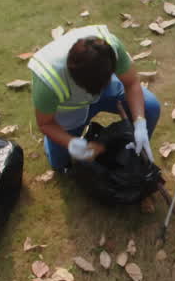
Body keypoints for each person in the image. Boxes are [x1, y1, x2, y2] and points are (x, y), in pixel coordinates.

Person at [30, 25, 159, 171]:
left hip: (108, 90)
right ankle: (55, 148)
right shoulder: (48, 81)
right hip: (70, 109)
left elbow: (131, 83)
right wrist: (70, 142)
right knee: (60, 164)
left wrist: (140, 123)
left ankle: (136, 149)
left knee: (150, 107)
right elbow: (45, 123)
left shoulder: (111, 48)